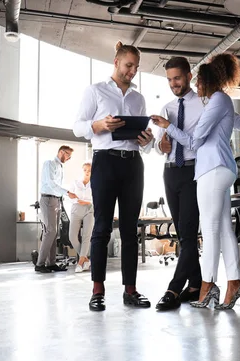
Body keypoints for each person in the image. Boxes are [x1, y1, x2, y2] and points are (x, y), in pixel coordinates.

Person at [152, 56, 240, 311]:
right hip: (220, 168)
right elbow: (239, 121)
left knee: (210, 231)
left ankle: (207, 286)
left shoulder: (216, 100)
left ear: (205, 79)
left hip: (211, 169)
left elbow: (193, 142)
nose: (197, 85)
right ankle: (235, 282)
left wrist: (168, 125)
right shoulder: (218, 101)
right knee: (223, 229)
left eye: (199, 80)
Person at [74, 41, 154, 312]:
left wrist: (146, 139)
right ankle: (97, 291)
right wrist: (98, 125)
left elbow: (143, 138)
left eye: (136, 67)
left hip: (133, 164)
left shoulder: (138, 98)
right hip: (105, 163)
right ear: (117, 62)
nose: (132, 71)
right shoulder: (95, 91)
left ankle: (130, 291)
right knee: (101, 228)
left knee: (131, 229)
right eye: (128, 65)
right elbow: (77, 127)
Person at [34, 145, 74, 273]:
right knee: (50, 231)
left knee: (54, 233)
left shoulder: (60, 167)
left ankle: (51, 263)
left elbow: (58, 187)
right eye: (68, 155)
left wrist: (64, 196)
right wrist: (67, 192)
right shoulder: (49, 163)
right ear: (61, 152)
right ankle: (40, 264)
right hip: (48, 199)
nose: (69, 158)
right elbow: (51, 184)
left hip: (56, 200)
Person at [68, 162, 94, 273]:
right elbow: (69, 196)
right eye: (85, 170)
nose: (87, 172)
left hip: (89, 209)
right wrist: (77, 200)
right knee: (72, 237)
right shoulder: (75, 182)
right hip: (76, 209)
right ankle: (86, 259)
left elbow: (96, 199)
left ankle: (80, 263)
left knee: (86, 236)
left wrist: (86, 202)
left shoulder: (95, 183)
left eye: (89, 170)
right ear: (82, 170)